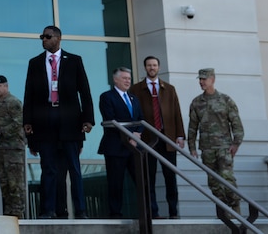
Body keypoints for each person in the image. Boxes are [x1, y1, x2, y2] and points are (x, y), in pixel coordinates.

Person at [22, 25, 94, 219]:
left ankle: (80, 210)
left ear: (58, 38)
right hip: (44, 121)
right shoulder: (35, 63)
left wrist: (88, 119)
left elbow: (85, 92)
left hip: (70, 121)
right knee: (49, 169)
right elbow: (29, 93)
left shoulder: (74, 61)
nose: (43, 40)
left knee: (74, 168)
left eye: (47, 36)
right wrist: (27, 120)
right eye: (42, 37)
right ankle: (48, 210)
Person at [131, 55, 185, 219]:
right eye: (149, 65)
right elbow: (134, 114)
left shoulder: (169, 89)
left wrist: (180, 135)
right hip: (148, 139)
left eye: (154, 65)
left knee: (170, 177)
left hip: (167, 138)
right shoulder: (136, 89)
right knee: (149, 177)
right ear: (145, 68)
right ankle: (152, 213)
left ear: (159, 68)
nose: (152, 68)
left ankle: (173, 212)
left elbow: (176, 113)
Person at [188, 68, 244, 213]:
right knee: (213, 182)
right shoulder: (196, 103)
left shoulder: (226, 100)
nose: (201, 82)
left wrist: (236, 143)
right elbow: (192, 127)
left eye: (204, 79)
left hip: (224, 147)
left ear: (212, 79)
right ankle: (223, 212)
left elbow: (236, 123)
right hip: (207, 149)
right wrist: (192, 147)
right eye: (200, 79)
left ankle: (235, 209)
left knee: (227, 178)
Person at [97, 67, 143, 218]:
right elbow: (110, 119)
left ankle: (150, 211)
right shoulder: (107, 97)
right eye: (124, 78)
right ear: (115, 80)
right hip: (115, 146)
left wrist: (137, 134)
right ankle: (115, 213)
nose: (127, 81)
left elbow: (140, 119)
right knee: (116, 182)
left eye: (129, 78)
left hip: (134, 147)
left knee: (142, 181)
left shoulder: (134, 99)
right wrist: (130, 135)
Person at [0, 74, 26, 218]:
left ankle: (18, 214)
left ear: (6, 86)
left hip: (13, 149)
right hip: (1, 149)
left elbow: (19, 124)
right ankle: (8, 213)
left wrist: (1, 131)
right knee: (4, 184)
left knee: (15, 184)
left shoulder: (13, 102)